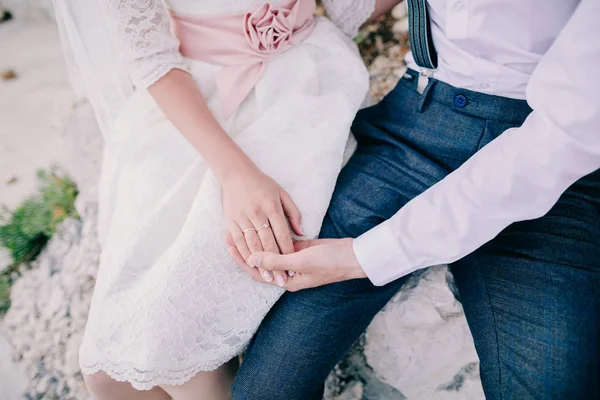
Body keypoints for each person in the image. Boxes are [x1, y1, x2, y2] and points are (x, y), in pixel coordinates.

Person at [230, 0, 600, 399]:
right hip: (414, 126)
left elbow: (565, 136)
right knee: (268, 387)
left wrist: (364, 256)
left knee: (552, 389)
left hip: (551, 163)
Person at [53, 0, 376, 398]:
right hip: (190, 107)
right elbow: (150, 54)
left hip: (301, 90)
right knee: (108, 377)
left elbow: (349, 8)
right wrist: (236, 175)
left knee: (181, 352)